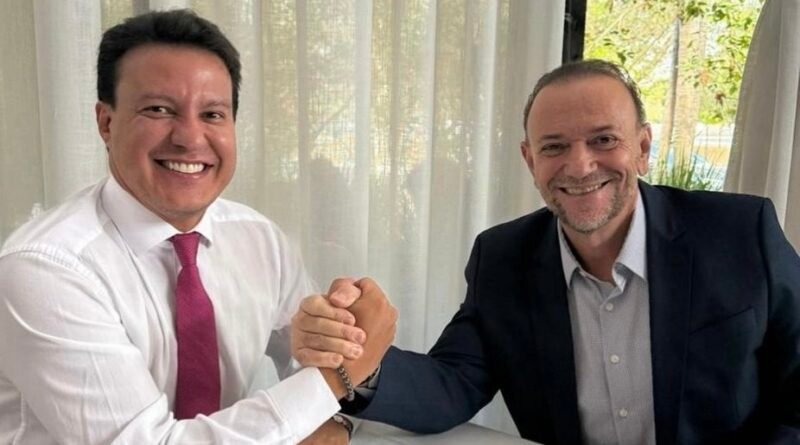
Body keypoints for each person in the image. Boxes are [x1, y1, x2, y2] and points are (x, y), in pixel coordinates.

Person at [291, 59, 800, 444]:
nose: (579, 166)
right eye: (554, 147)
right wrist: (356, 353)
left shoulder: (739, 234)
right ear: (530, 159)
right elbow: (453, 384)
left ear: (643, 148)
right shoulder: (502, 258)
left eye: (604, 140)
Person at [0, 9, 396, 445]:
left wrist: (344, 338)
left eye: (212, 114)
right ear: (106, 123)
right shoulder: (43, 269)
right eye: (158, 109)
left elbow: (312, 370)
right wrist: (338, 376)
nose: (189, 138)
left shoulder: (259, 239)